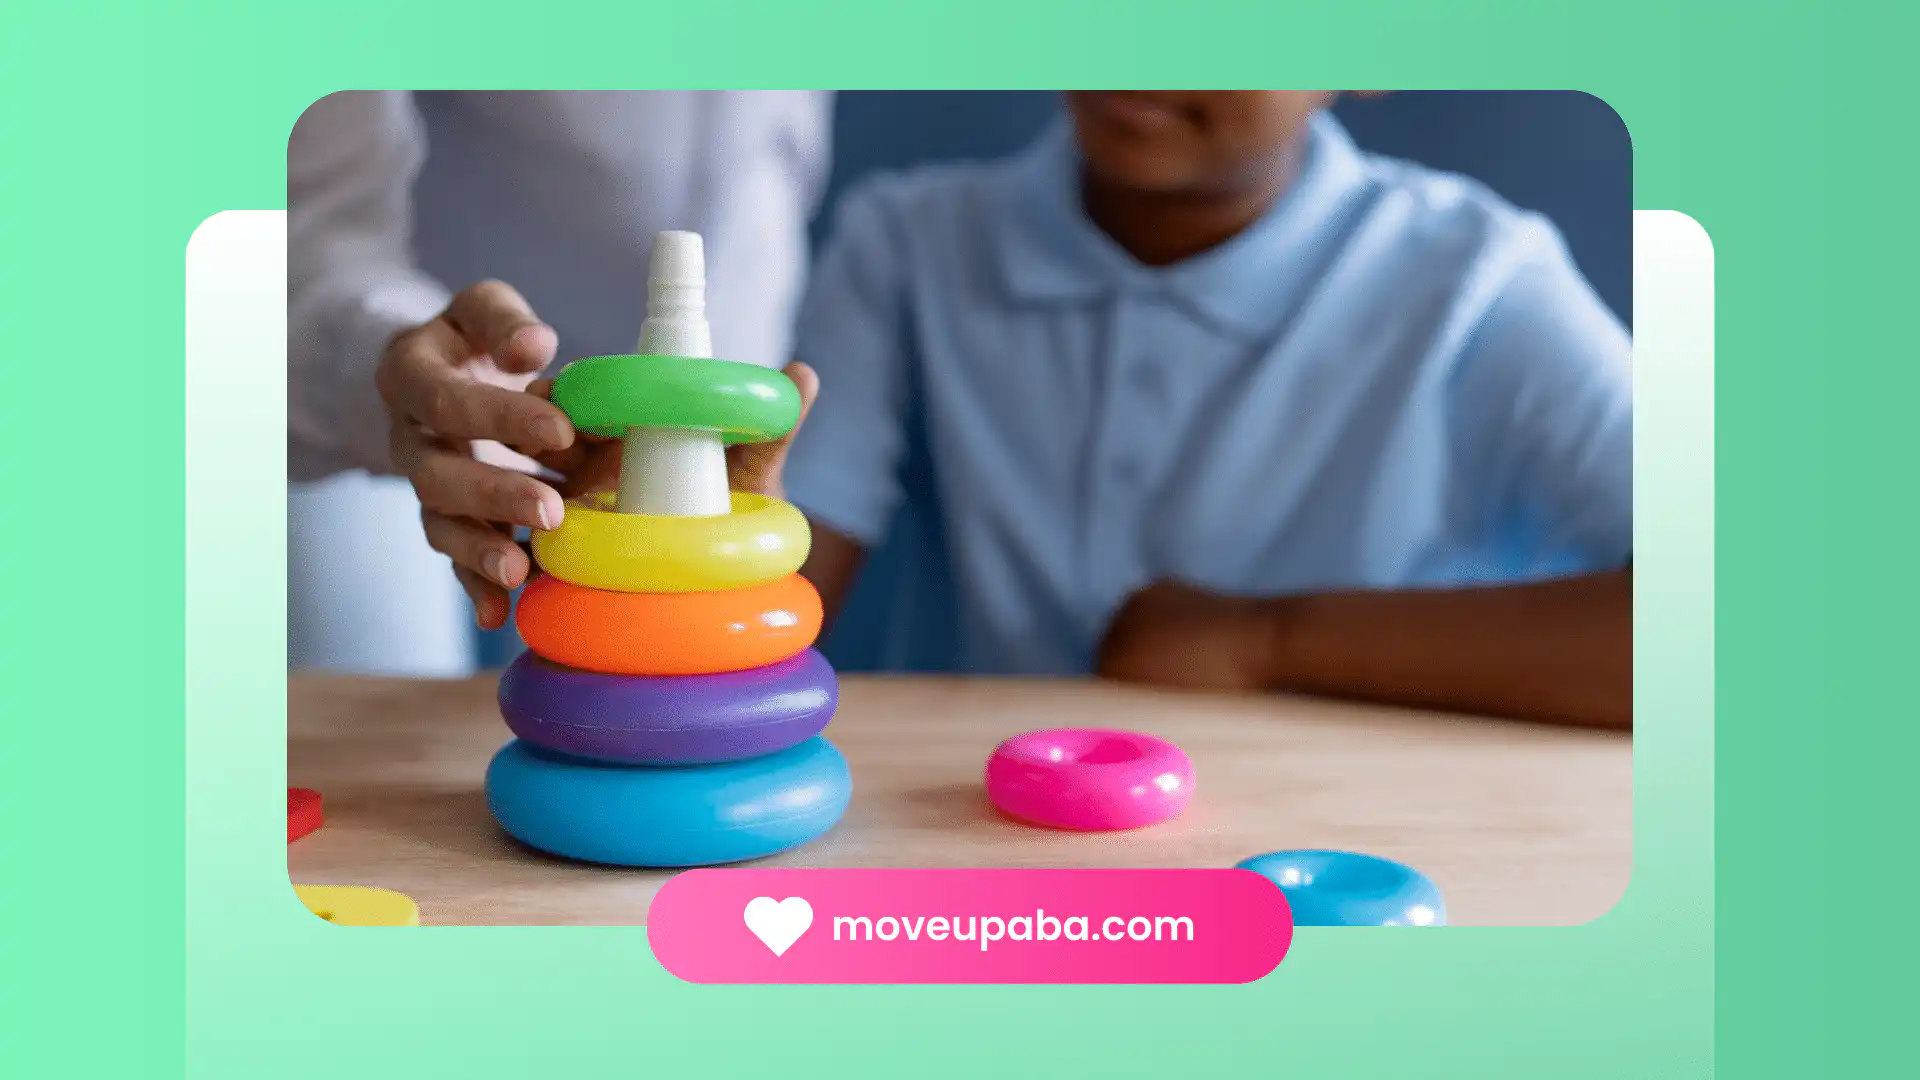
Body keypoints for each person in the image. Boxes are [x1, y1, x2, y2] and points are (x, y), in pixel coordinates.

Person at [772, 91, 1632, 729]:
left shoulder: (1477, 285)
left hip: (1358, 848)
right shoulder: (910, 241)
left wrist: (1265, 640)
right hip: (989, 829)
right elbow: (772, 609)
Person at [287, 90, 832, 674]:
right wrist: (398, 362)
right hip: (460, 368)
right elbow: (303, 228)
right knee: (383, 681)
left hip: (729, 388)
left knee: (672, 689)